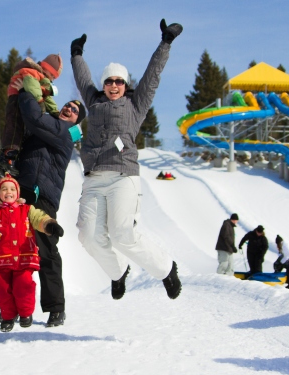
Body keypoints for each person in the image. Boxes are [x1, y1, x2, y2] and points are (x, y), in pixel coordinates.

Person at [70, 20, 184, 301]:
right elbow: (82, 78)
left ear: (125, 84)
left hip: (123, 176)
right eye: (109, 81)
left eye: (119, 81)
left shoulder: (136, 104)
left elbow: (152, 75)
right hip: (94, 179)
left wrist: (165, 42)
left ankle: (166, 269)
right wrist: (76, 55)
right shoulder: (93, 101)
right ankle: (118, 272)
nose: (113, 85)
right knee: (88, 236)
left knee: (122, 233)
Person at [1, 90, 85, 327]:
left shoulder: (63, 133)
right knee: (13, 252)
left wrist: (26, 91)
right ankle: (12, 308)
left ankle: (56, 308)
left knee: (45, 253)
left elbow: (35, 118)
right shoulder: (48, 129)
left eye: (74, 110)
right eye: (68, 105)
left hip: (43, 198)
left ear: (76, 121)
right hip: (21, 194)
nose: (68, 108)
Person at [0, 175, 64, 332]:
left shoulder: (27, 209)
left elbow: (39, 218)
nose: (8, 192)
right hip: (4, 260)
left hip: (25, 257)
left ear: (17, 193)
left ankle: (25, 314)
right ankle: (8, 316)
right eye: (4, 189)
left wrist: (50, 225)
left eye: (12, 189)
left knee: (23, 284)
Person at [0, 53, 63, 177]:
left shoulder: (40, 78)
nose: (51, 79)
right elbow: (32, 88)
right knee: (15, 128)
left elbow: (47, 97)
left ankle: (5, 160)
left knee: (19, 130)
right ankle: (7, 159)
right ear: (46, 68)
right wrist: (40, 103)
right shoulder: (32, 73)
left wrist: (55, 111)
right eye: (52, 75)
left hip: (20, 100)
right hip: (16, 100)